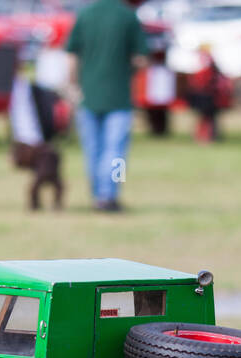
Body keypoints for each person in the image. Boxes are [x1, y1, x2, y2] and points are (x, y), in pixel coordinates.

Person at [65, 0, 147, 212]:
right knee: (116, 151)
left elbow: (72, 56)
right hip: (118, 96)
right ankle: (110, 195)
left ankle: (96, 195)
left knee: (93, 150)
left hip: (88, 95)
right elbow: (141, 58)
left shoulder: (84, 15)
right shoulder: (128, 16)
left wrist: (73, 85)